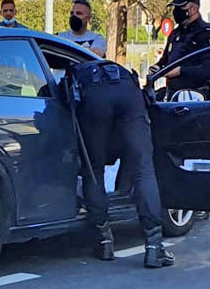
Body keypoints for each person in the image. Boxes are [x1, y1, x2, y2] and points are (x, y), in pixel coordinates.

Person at [62, 60, 172, 268]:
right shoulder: (114, 68)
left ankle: (104, 241)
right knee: (143, 170)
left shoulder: (74, 75)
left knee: (94, 170)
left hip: (94, 98)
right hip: (128, 93)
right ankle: (154, 246)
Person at [149, 0, 210, 100]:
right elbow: (166, 60)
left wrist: (181, 71)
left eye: (181, 7)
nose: (176, 11)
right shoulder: (175, 33)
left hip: (196, 95)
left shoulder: (207, 33)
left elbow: (209, 69)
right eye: (175, 7)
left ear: (194, 9)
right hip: (172, 94)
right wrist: (157, 67)